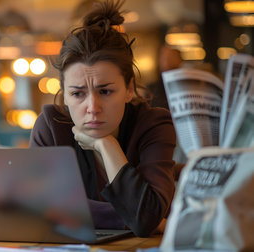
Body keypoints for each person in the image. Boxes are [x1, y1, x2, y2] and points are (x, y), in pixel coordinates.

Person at [29, 0, 177, 237]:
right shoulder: (51, 127)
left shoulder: (154, 125)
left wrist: (106, 144)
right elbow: (40, 210)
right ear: (64, 95)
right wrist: (132, 218)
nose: (92, 107)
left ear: (129, 89)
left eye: (105, 91)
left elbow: (146, 216)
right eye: (78, 94)